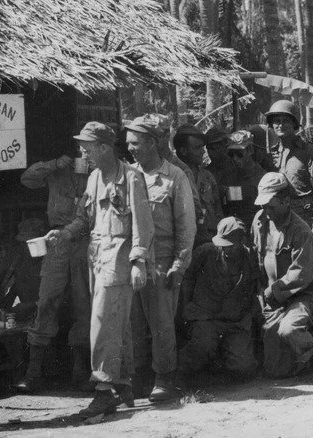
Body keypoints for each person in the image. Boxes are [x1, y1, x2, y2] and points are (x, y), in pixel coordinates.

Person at [47, 121, 154, 418]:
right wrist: (65, 233)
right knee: (114, 324)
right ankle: (123, 385)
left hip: (120, 260)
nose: (83, 151)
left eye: (88, 146)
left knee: (103, 325)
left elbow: (143, 224)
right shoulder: (94, 177)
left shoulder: (131, 177)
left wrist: (138, 261)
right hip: (98, 259)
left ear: (106, 147)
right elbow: (84, 218)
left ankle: (104, 391)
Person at [126, 115, 196, 402]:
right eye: (128, 143)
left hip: (163, 260)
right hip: (134, 261)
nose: (130, 148)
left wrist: (179, 265)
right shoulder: (127, 175)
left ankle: (164, 379)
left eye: (135, 143)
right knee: (132, 323)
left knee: (162, 324)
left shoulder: (175, 177)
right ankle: (138, 378)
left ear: (152, 142)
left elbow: (186, 224)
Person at [15, 143, 91, 392]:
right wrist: (54, 164)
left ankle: (81, 371)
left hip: (86, 242)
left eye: (87, 147)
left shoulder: (97, 172)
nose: (82, 152)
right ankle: (33, 373)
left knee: (84, 304)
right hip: (58, 240)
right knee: (46, 299)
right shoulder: (58, 169)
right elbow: (27, 179)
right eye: (79, 147)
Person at [253, 172, 313, 382]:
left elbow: (300, 275)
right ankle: (297, 358)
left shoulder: (301, 231)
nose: (265, 211)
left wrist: (272, 292)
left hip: (302, 297)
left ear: (286, 201)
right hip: (272, 299)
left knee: (289, 330)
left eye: (270, 205)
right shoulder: (260, 222)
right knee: (275, 371)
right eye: (262, 205)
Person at [177, 217, 259, 384]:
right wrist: (186, 307)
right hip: (206, 318)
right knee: (201, 348)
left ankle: (219, 364)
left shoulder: (250, 257)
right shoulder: (205, 251)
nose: (225, 249)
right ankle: (182, 376)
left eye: (231, 245)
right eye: (222, 244)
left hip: (235, 321)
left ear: (242, 241)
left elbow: (254, 288)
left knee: (243, 367)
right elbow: (188, 278)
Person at [265, 100, 313, 276]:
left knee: (309, 274)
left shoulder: (310, 152)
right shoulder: (271, 153)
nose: (280, 125)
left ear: (294, 124)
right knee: (283, 273)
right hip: (280, 220)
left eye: (285, 120)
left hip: (305, 219)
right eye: (276, 121)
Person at [174, 124, 224, 246]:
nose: (203, 151)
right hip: (188, 242)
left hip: (212, 239)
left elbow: (218, 211)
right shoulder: (174, 178)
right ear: (183, 151)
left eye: (202, 147)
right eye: (197, 148)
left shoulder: (207, 177)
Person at [219, 130, 267, 227]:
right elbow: (231, 206)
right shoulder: (230, 178)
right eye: (231, 154)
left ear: (250, 150)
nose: (235, 159)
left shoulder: (263, 178)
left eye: (239, 153)